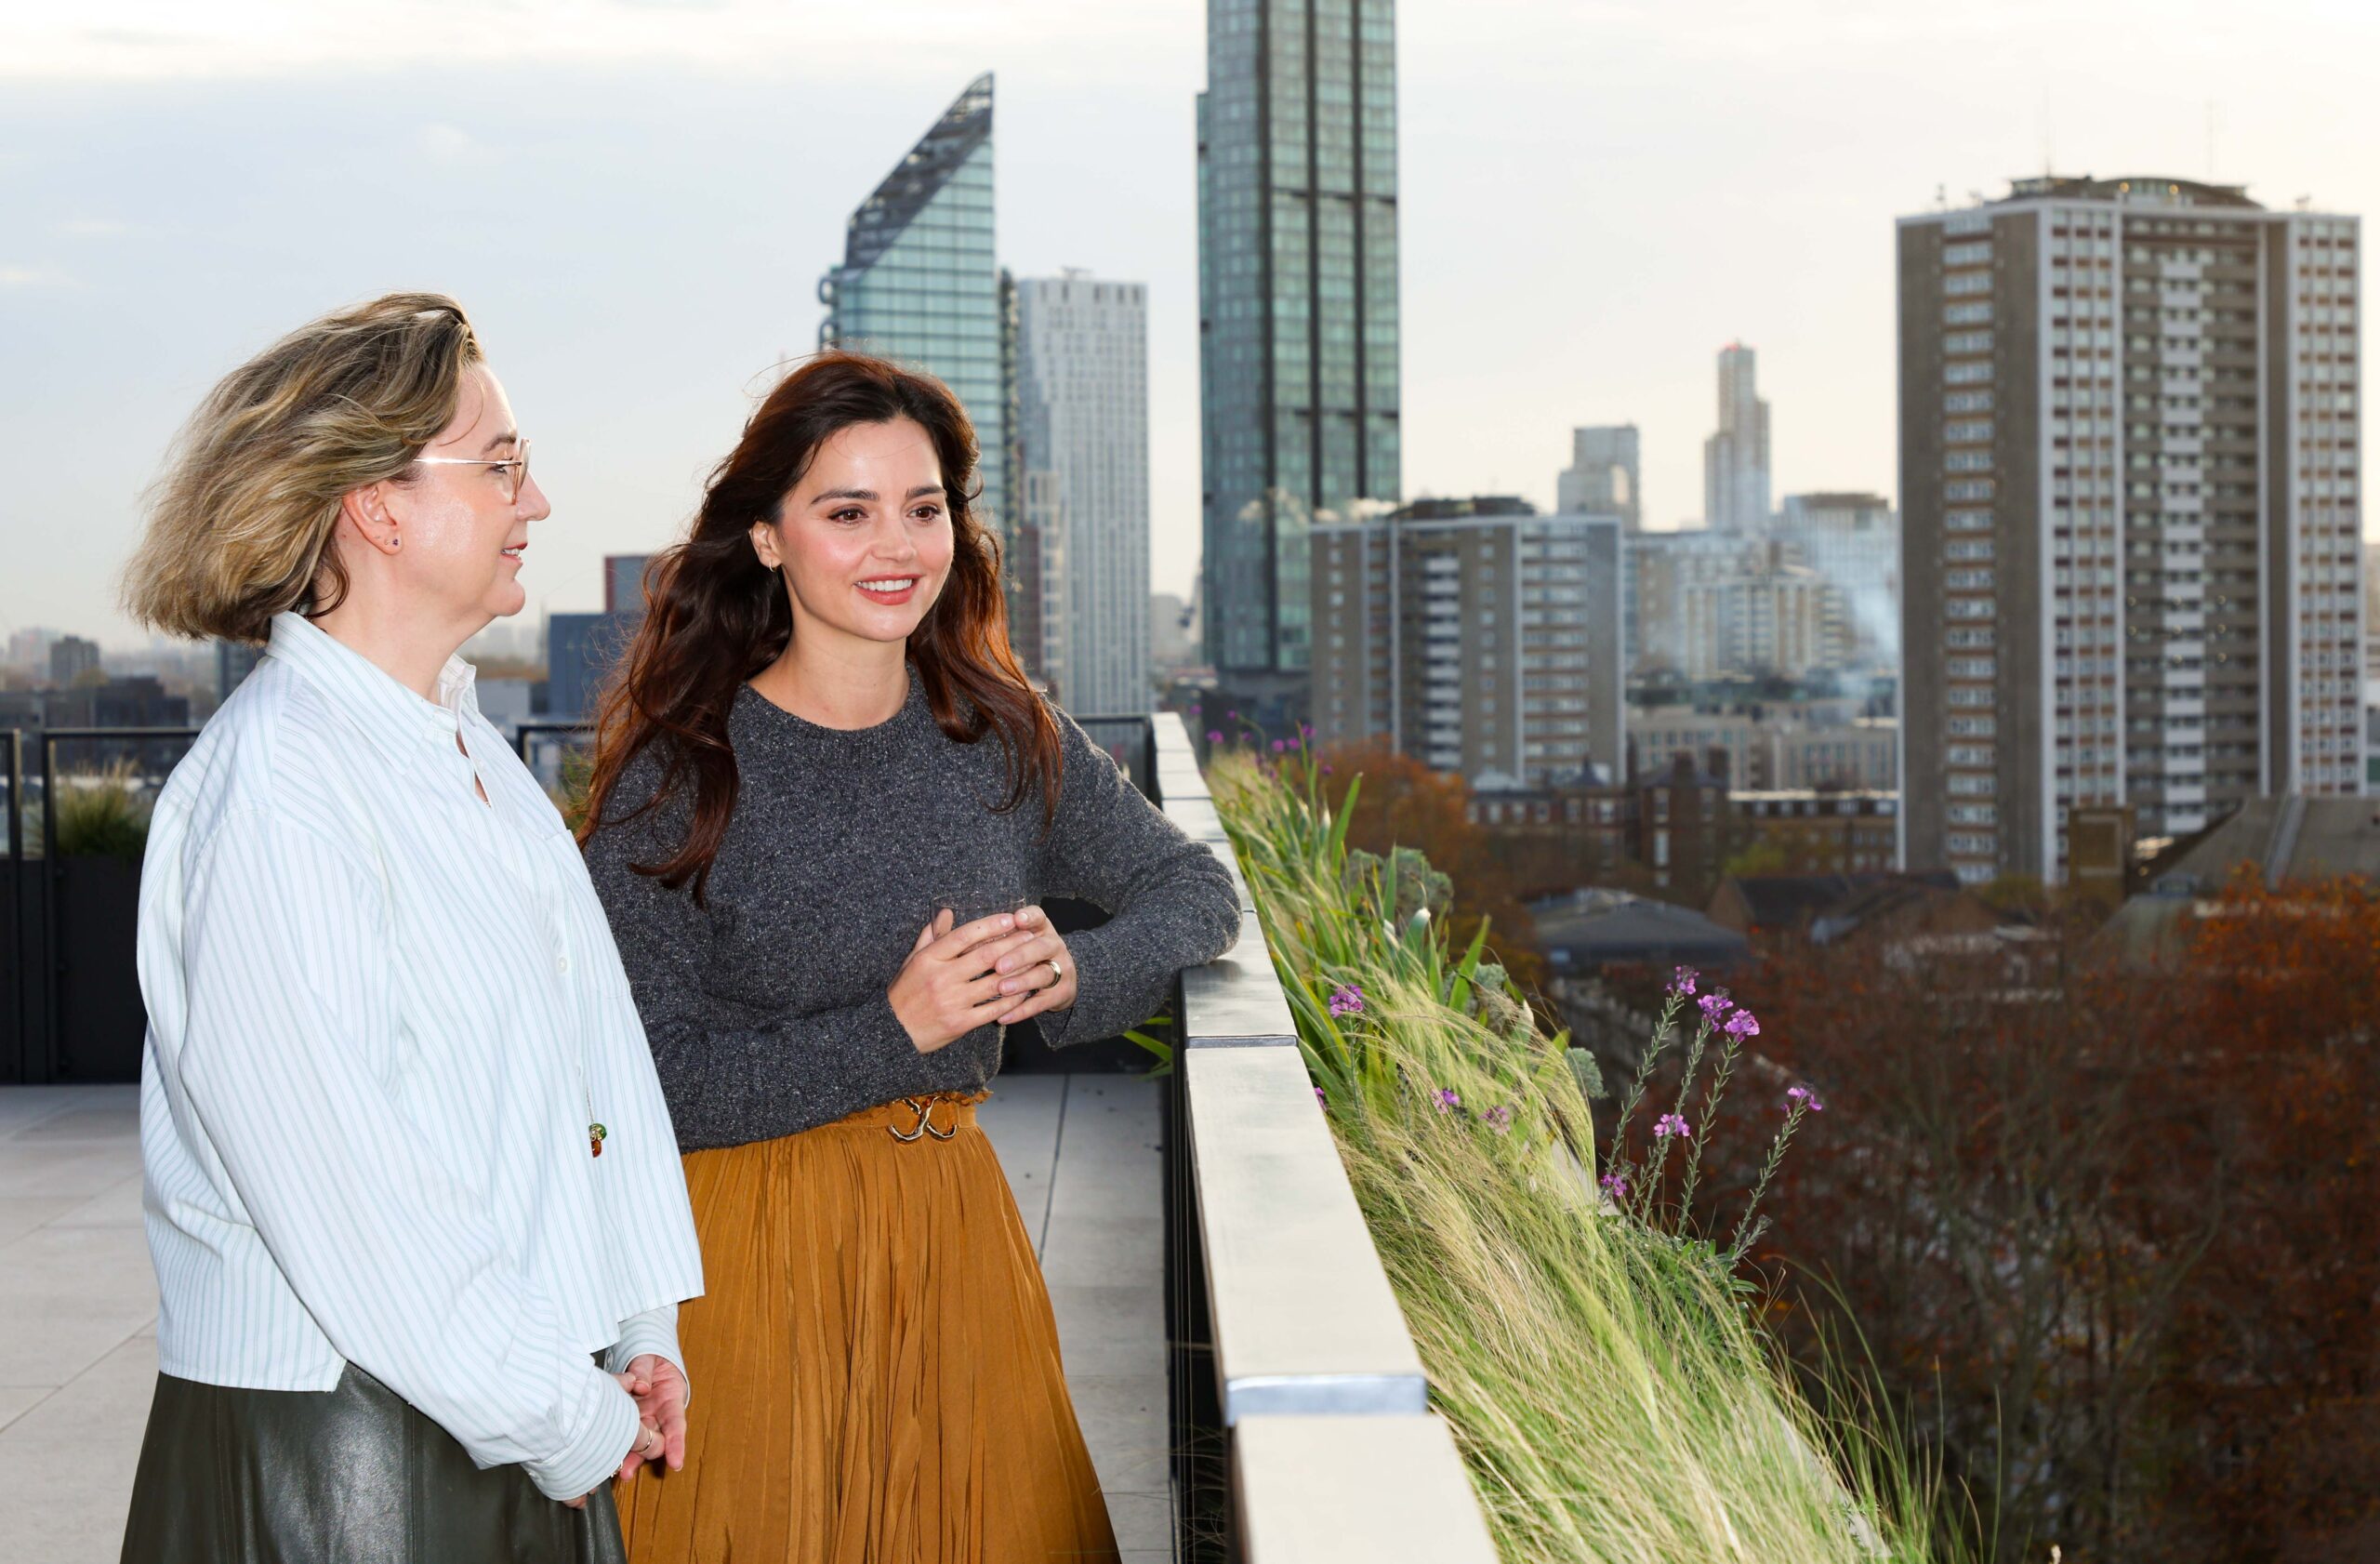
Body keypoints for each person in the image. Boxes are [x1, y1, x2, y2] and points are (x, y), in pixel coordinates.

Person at [578, 351, 1236, 1563]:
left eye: (923, 508)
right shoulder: (680, 778)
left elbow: (1194, 887)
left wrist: (1075, 969)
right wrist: (899, 1026)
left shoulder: (998, 732)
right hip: (741, 1267)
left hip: (955, 1244)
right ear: (768, 537)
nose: (898, 545)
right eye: (848, 511)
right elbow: (643, 1087)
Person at [116, 293, 704, 1564]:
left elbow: (583, 1077)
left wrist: (634, 1321)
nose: (534, 502)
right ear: (379, 506)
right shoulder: (279, 790)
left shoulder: (467, 759)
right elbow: (353, 1195)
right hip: (336, 1460)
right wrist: (563, 1408)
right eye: (501, 465)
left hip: (495, 1407)